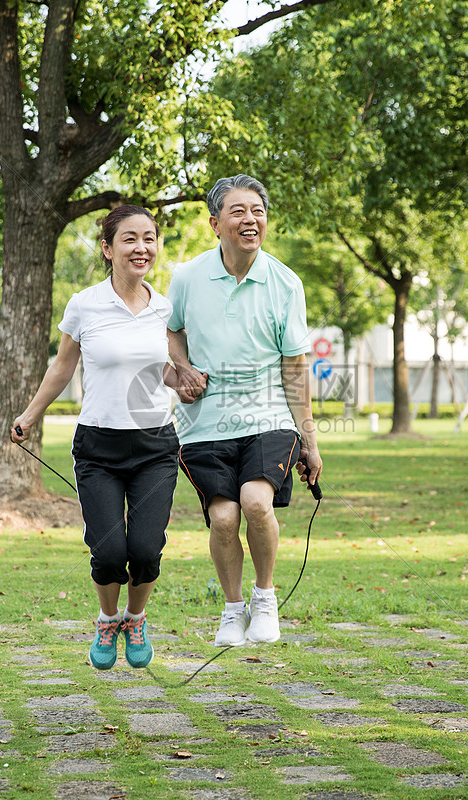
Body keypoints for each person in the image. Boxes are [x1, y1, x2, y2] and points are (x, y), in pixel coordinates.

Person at [11, 205, 179, 671]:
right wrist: (29, 415)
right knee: (108, 554)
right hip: (99, 449)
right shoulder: (85, 304)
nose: (141, 247)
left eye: (149, 238)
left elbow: (164, 369)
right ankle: (108, 620)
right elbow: (63, 366)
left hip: (154, 446)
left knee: (145, 550)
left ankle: (136, 618)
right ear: (108, 249)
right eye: (129, 238)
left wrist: (184, 379)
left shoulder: (165, 308)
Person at [167, 174, 323, 647]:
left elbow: (295, 368)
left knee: (256, 503)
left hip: (269, 415)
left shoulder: (285, 283)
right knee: (224, 518)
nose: (250, 219)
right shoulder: (187, 277)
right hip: (203, 423)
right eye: (238, 211)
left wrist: (310, 442)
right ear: (215, 223)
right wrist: (183, 367)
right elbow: (172, 332)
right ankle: (232, 611)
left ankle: (266, 598)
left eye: (257, 211)